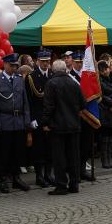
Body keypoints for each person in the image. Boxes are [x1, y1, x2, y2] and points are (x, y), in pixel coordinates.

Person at [0, 53, 30, 194]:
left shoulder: (19, 79)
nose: (14, 68)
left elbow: (25, 102)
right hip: (4, 121)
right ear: (4, 65)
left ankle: (16, 178)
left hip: (18, 121)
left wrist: (26, 121)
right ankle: (3, 179)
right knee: (4, 153)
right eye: (11, 65)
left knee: (18, 152)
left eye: (15, 66)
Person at [43, 59, 85, 195]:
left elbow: (49, 106)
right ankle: (74, 184)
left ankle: (61, 185)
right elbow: (83, 103)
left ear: (53, 70)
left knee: (59, 157)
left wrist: (45, 122)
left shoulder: (51, 83)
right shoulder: (74, 82)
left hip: (58, 126)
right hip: (74, 125)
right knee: (73, 156)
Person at [26, 49, 53, 188]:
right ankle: (39, 176)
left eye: (47, 61)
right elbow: (29, 101)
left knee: (50, 149)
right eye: (43, 61)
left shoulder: (53, 75)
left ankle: (48, 174)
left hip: (51, 119)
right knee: (39, 149)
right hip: (38, 118)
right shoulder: (31, 77)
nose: (45, 64)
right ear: (37, 62)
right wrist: (31, 119)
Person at [97, 61, 112, 170]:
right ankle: (104, 160)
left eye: (106, 69)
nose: (106, 71)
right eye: (103, 70)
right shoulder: (99, 80)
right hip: (105, 110)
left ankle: (109, 159)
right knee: (105, 137)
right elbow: (101, 95)